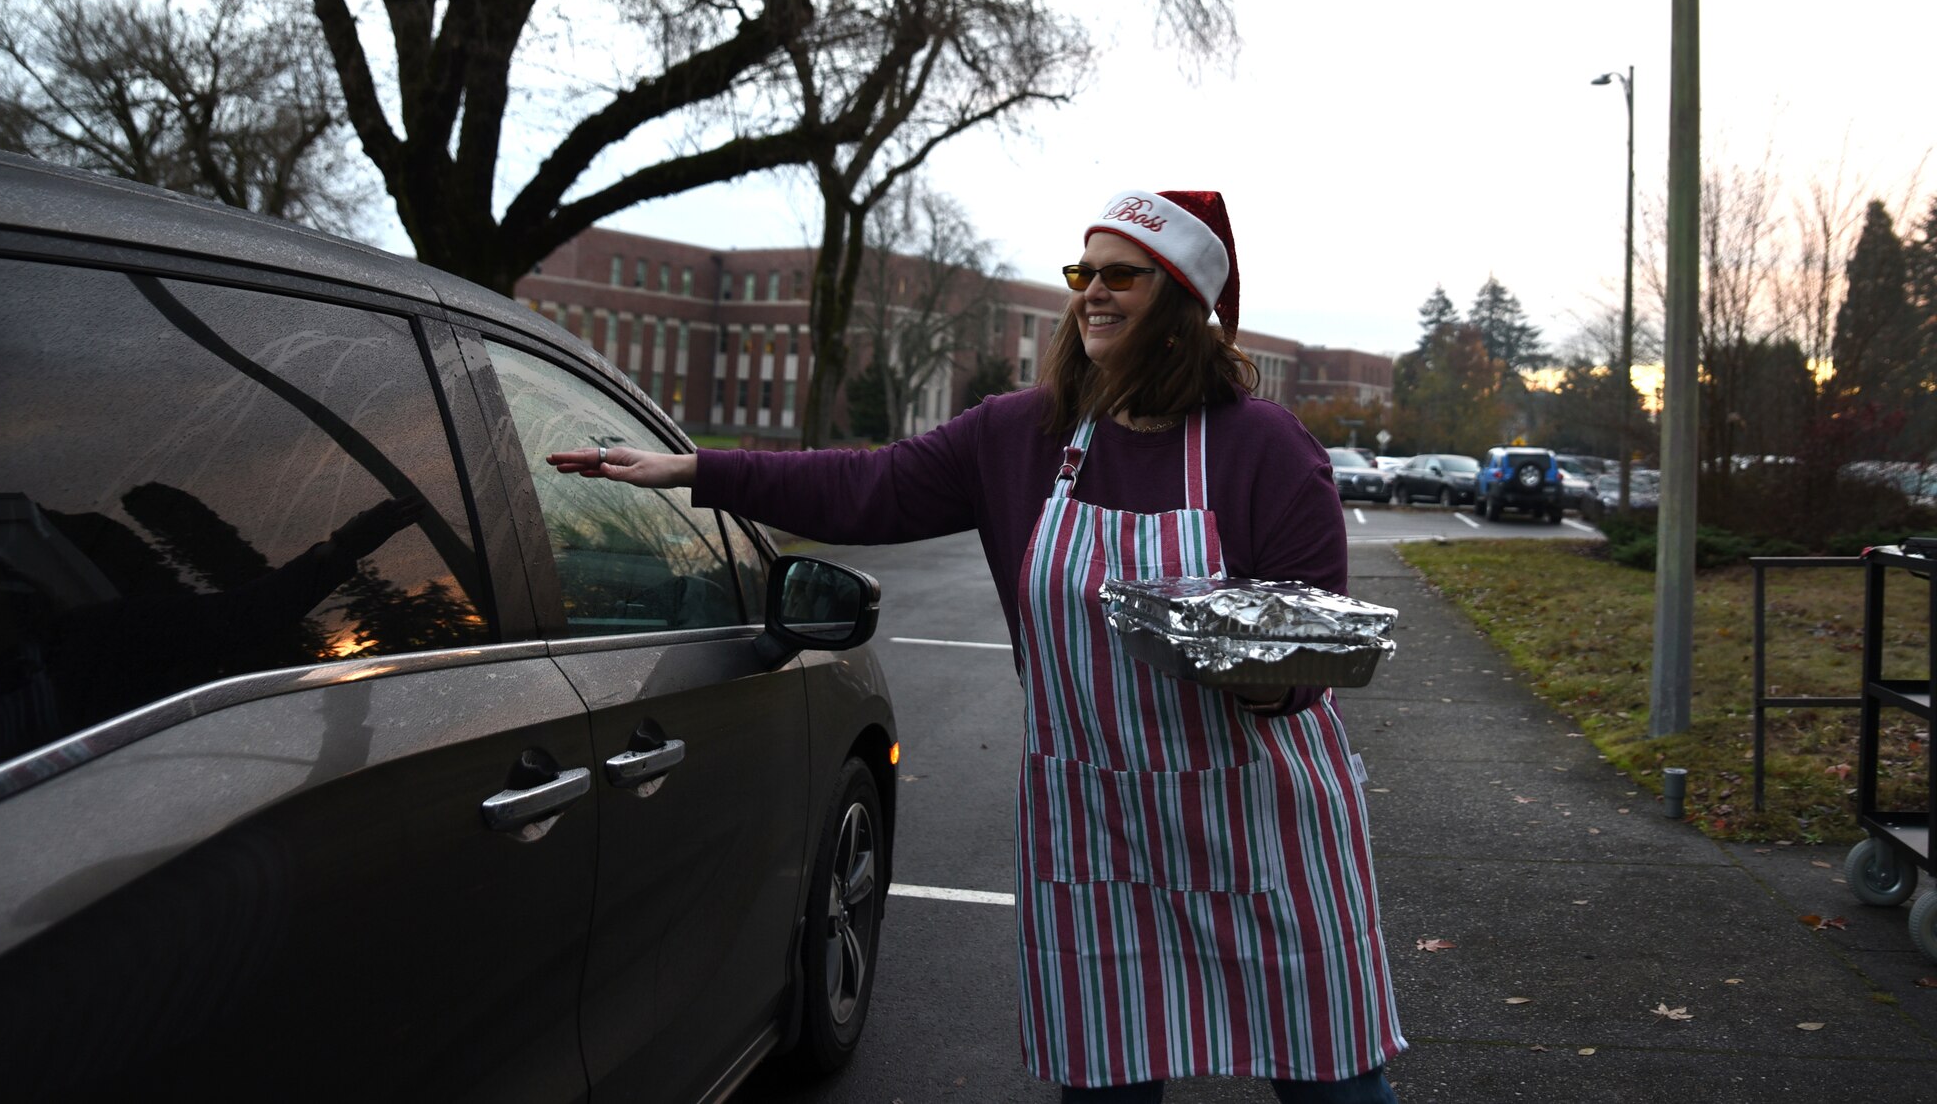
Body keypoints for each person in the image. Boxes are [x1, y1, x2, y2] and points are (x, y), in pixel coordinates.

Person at [548, 190, 1405, 1102]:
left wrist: (1265, 679)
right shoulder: (1021, 436)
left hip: (1256, 819)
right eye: (1084, 274)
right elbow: (864, 487)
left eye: (1122, 275)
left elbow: (1313, 623)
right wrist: (695, 471)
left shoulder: (1264, 447)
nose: (1093, 295)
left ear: (1185, 301)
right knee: (1108, 1079)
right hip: (1098, 822)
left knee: (1331, 1082)